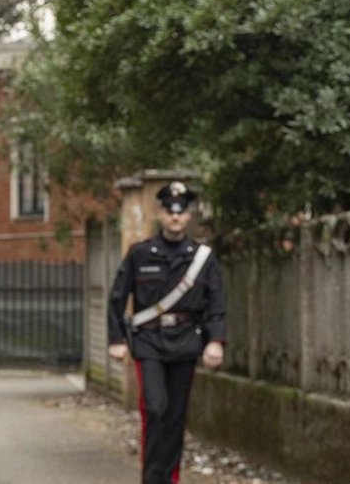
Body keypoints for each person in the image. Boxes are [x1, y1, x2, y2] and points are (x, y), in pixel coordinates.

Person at [106, 181, 226, 484]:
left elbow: (216, 302)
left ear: (188, 216)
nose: (175, 216)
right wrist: (116, 339)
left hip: (186, 341)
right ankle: (152, 479)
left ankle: (170, 479)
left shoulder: (202, 258)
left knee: (175, 417)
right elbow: (118, 297)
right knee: (156, 409)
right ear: (160, 213)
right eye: (170, 211)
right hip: (150, 342)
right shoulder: (141, 254)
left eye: (181, 211)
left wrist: (215, 340)